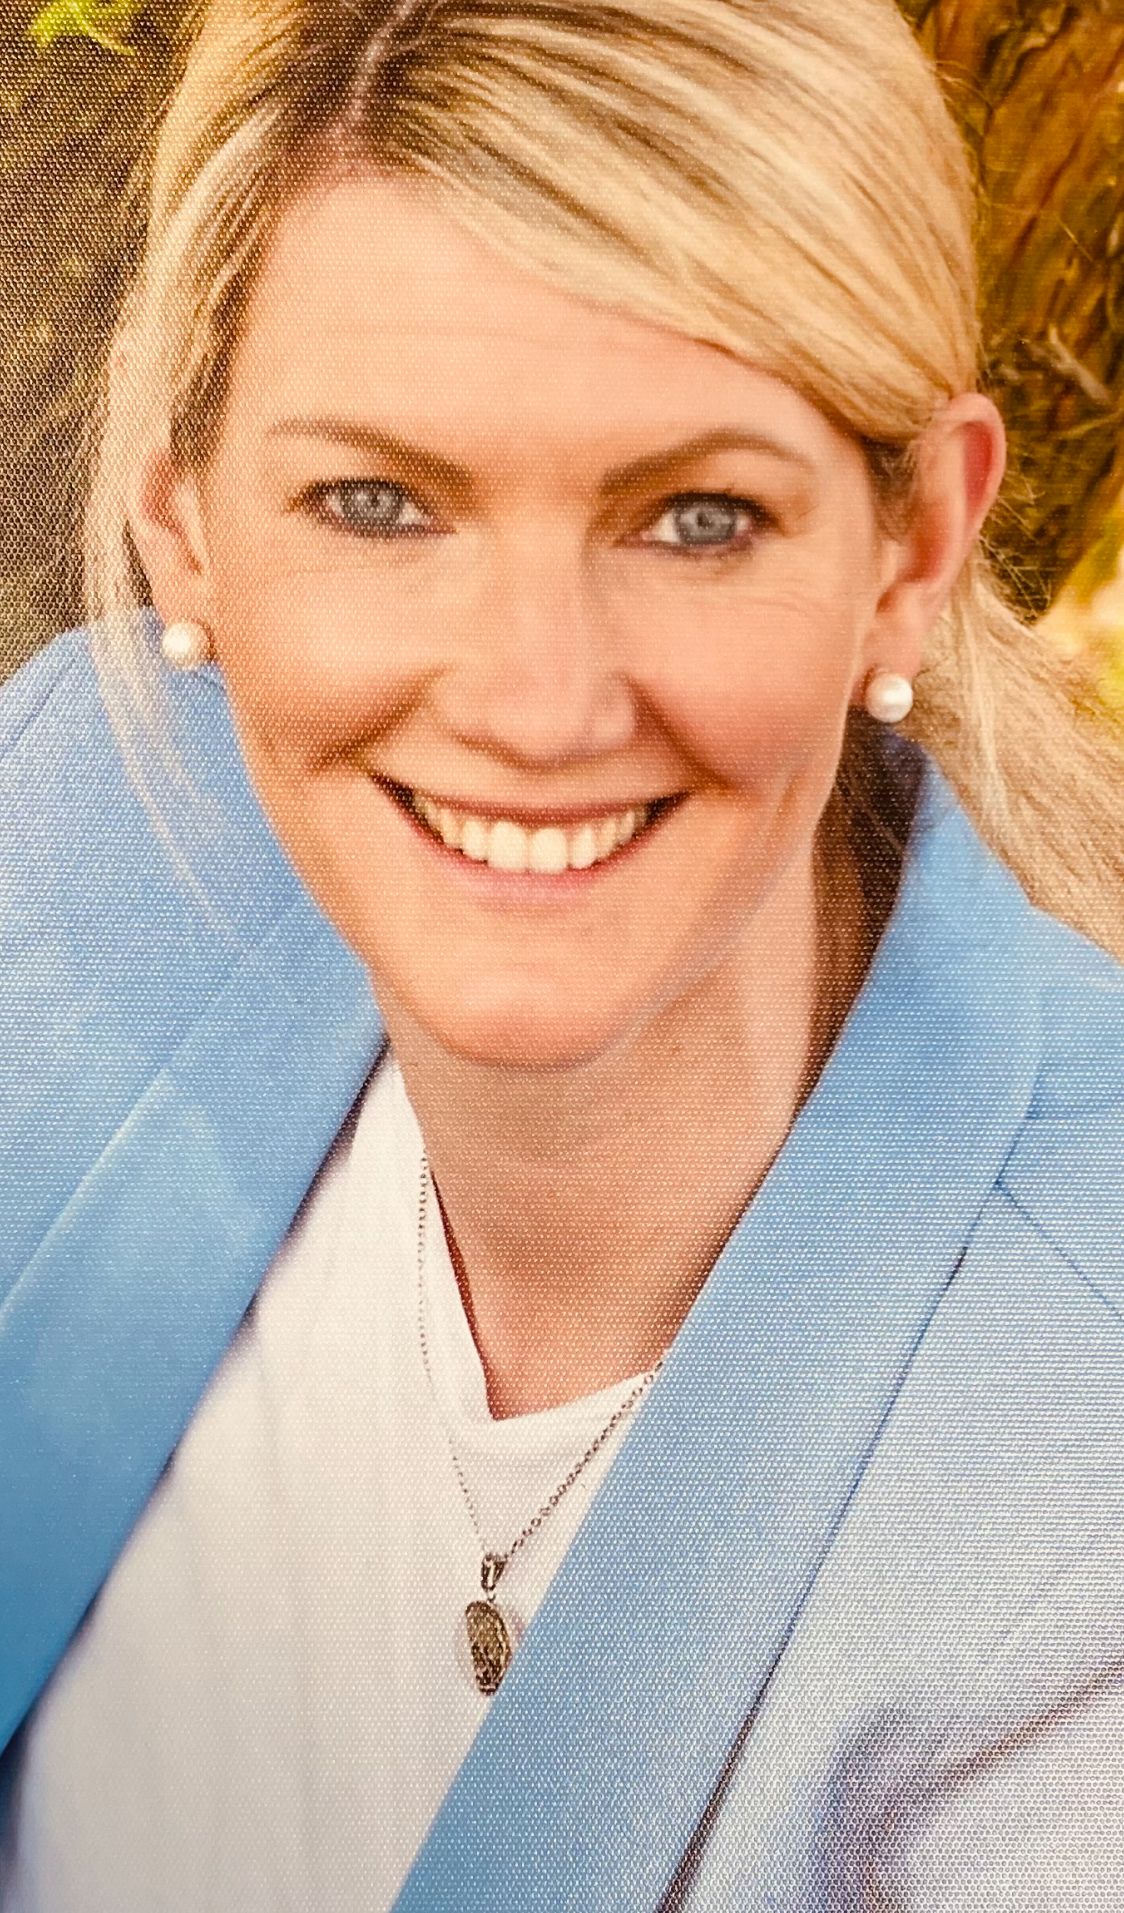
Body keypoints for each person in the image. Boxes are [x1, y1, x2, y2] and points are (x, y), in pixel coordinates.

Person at [0, 0, 1121, 1905]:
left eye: (697, 518)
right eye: (379, 504)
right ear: (177, 514)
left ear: (914, 543)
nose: (536, 701)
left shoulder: (1077, 1461)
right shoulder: (75, 834)